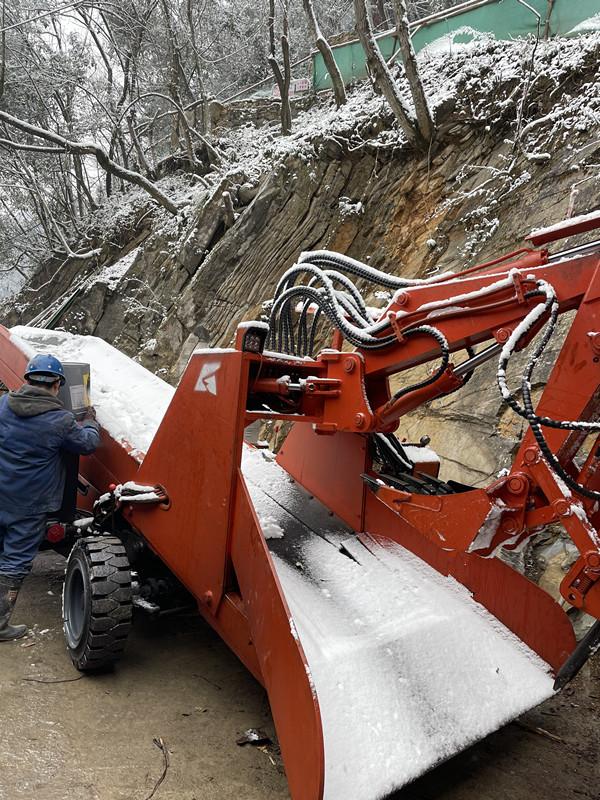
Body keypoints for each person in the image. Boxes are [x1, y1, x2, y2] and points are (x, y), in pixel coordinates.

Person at [0, 353, 100, 641]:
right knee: (14, 561)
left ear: (27, 379)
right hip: (29, 504)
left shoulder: (4, 405)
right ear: (57, 385)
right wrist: (91, 421)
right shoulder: (60, 420)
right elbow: (88, 444)